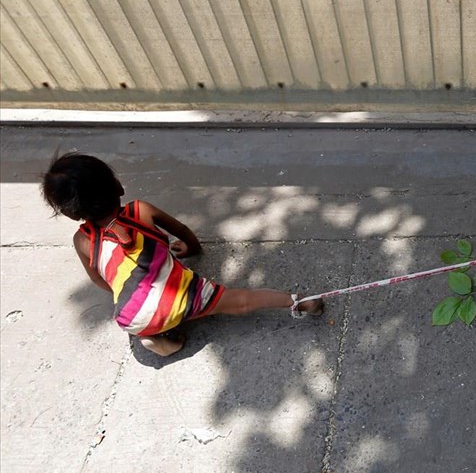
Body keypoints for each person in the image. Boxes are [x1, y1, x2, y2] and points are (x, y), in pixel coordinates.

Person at [41, 152, 324, 357]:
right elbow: (184, 232)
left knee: (152, 324)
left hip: (133, 318)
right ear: (118, 187)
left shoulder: (82, 241)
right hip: (183, 297)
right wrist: (192, 249)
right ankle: (300, 302)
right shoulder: (141, 211)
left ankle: (161, 342)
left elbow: (102, 282)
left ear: (70, 214)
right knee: (241, 301)